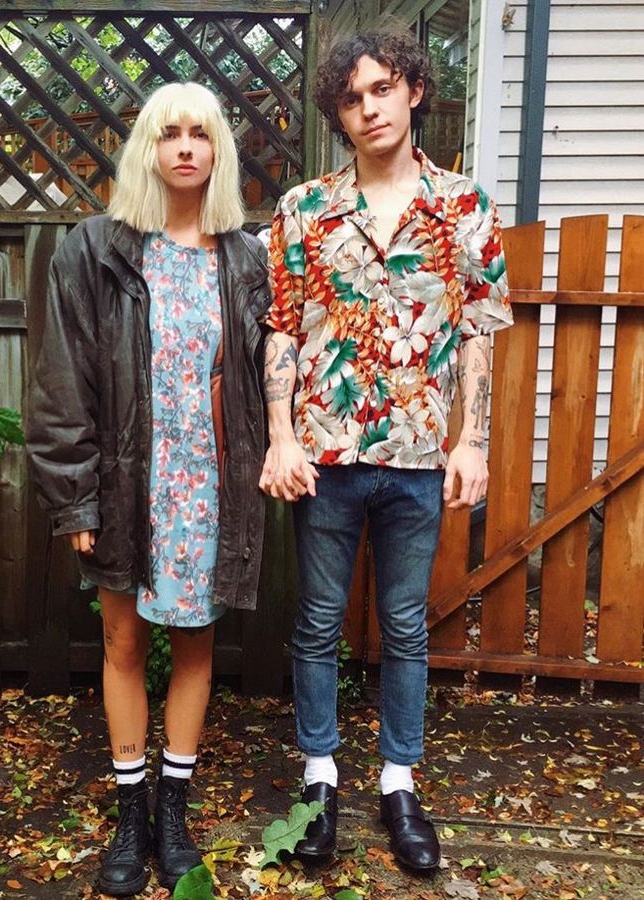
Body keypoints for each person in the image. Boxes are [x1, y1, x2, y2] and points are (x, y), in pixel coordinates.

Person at [260, 28, 513, 871]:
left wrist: (470, 442)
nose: (368, 107)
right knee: (318, 625)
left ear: (411, 91)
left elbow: (478, 331)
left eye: (381, 89)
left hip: (415, 457)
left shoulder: (464, 206)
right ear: (339, 112)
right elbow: (283, 330)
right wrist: (281, 434)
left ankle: (399, 784)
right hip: (326, 456)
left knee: (406, 626)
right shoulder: (304, 208)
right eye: (351, 97)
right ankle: (320, 777)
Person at [27, 82, 270, 896]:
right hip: (128, 482)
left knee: (196, 644)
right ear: (147, 148)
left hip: (209, 487)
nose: (185, 148)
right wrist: (76, 499)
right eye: (169, 134)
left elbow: (274, 372)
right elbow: (62, 384)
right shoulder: (95, 250)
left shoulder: (244, 257)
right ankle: (131, 812)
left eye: (200, 134)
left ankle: (173, 806)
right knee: (124, 644)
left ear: (218, 150)